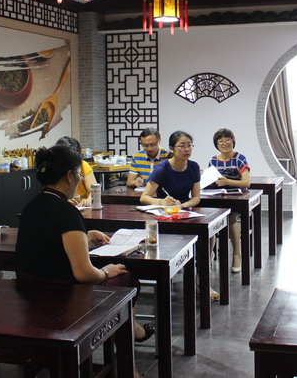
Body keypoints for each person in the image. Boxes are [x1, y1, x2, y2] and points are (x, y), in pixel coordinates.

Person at [15, 145, 154, 359]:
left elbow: (50, 243)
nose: (80, 179)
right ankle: (128, 358)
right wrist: (106, 272)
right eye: (79, 174)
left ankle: (133, 331)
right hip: (64, 295)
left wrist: (85, 237)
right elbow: (83, 273)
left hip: (30, 291)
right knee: (126, 277)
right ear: (69, 176)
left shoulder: (31, 206)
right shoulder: (67, 211)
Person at [140, 131, 219, 300]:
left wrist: (182, 205)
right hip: (165, 212)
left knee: (209, 234)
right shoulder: (162, 169)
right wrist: (162, 202)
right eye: (182, 146)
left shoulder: (193, 167)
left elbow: (196, 197)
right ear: (171, 148)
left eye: (189, 145)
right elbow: (144, 197)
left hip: (185, 210)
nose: (187, 149)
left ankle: (201, 279)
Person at [208, 128, 251, 273]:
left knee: (231, 217)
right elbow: (211, 182)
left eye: (227, 140)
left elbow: (246, 183)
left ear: (233, 141)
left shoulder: (239, 158)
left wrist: (227, 181)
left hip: (236, 197)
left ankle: (236, 253)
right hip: (218, 196)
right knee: (209, 219)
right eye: (220, 141)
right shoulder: (213, 160)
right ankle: (209, 253)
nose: (224, 143)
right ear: (216, 144)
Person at [56, 136, 96, 207]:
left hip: (82, 207)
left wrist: (90, 199)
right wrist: (63, 200)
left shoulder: (83, 165)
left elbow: (94, 190)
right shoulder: (55, 169)